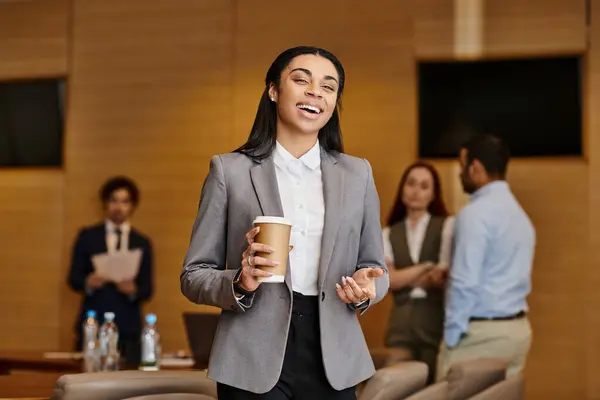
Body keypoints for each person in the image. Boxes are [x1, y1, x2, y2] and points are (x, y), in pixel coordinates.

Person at [180, 46, 388, 400]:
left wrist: (366, 289)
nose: (314, 93)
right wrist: (241, 281)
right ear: (273, 90)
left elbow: (375, 269)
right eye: (301, 80)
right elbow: (193, 275)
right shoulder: (229, 171)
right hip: (251, 358)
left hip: (333, 356)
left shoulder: (358, 174)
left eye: (328, 86)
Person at [437, 134, 535, 380]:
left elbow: (464, 282)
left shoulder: (475, 214)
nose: (460, 174)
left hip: (480, 336)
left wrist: (451, 338)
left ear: (476, 168)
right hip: (517, 332)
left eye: (462, 167)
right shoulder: (521, 217)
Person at [68, 176, 154, 367]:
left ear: (132, 206)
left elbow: (148, 290)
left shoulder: (141, 242)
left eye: (125, 202)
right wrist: (88, 282)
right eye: (114, 200)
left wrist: (133, 290)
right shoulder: (88, 237)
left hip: (128, 328)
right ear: (105, 203)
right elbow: (73, 279)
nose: (118, 207)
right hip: (94, 323)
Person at [382, 161, 454, 384]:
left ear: (433, 195)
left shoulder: (447, 226)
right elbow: (389, 281)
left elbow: (441, 277)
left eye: (424, 186)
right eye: (411, 183)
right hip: (400, 324)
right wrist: (425, 267)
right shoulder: (388, 233)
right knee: (398, 386)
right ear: (402, 187)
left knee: (433, 387)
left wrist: (404, 276)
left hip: (435, 322)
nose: (415, 191)